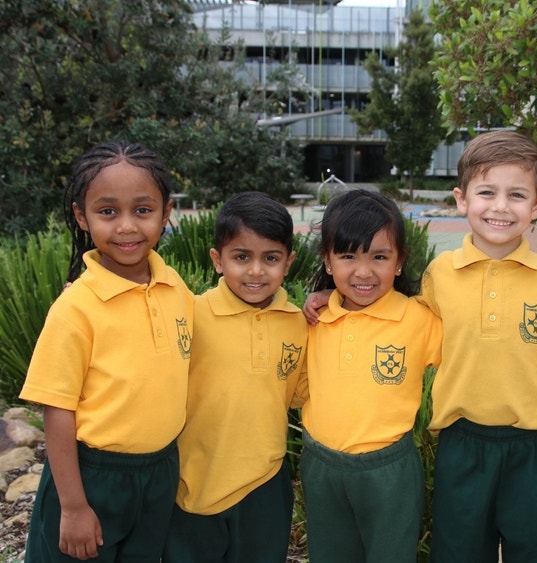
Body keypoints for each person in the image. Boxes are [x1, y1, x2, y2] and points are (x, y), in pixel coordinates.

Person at [19, 141, 194, 561]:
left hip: (158, 471)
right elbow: (57, 409)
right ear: (82, 215)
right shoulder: (76, 307)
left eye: (143, 210)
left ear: (167, 212)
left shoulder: (177, 290)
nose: (127, 227)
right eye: (108, 211)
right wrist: (74, 506)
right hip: (92, 476)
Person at [415, 131, 537, 563]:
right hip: (463, 441)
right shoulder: (439, 273)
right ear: (462, 199)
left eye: (517, 194)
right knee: (458, 551)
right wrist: (328, 298)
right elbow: (401, 326)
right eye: (487, 191)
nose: (501, 206)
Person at [298, 189, 442, 563]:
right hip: (321, 466)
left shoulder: (419, 319)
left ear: (399, 262)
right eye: (347, 256)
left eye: (379, 257)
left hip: (388, 471)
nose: (363, 272)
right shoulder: (313, 319)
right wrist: (319, 298)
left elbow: (470, 360)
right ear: (327, 261)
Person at [162, 191, 307, 562]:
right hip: (193, 484)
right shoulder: (190, 314)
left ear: (288, 263)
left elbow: (303, 395)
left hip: (266, 485)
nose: (256, 271)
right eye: (242, 257)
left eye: (270, 258)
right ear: (218, 260)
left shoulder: (300, 325)